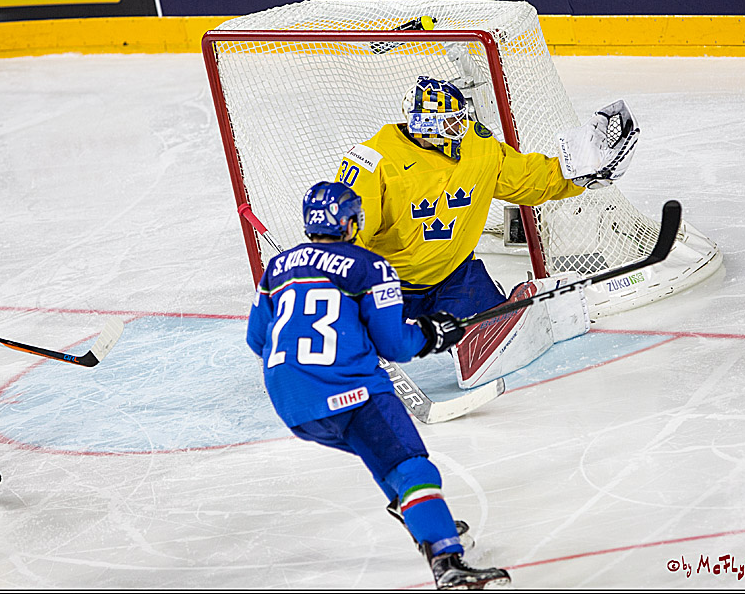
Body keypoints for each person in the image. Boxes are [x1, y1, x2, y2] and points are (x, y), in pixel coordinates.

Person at [246, 181, 510, 590]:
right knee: (411, 466)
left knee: (383, 454)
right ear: (351, 222)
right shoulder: (368, 266)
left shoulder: (276, 269)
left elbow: (256, 339)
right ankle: (447, 562)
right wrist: (434, 332)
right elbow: (395, 345)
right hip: (352, 390)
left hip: (291, 402)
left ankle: (419, 511)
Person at [334, 76, 638, 388]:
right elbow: (343, 238)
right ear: (425, 125)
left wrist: (576, 176)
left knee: (501, 343)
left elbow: (524, 179)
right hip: (390, 284)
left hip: (456, 276)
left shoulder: (477, 147)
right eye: (451, 123)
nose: (461, 127)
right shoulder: (373, 163)